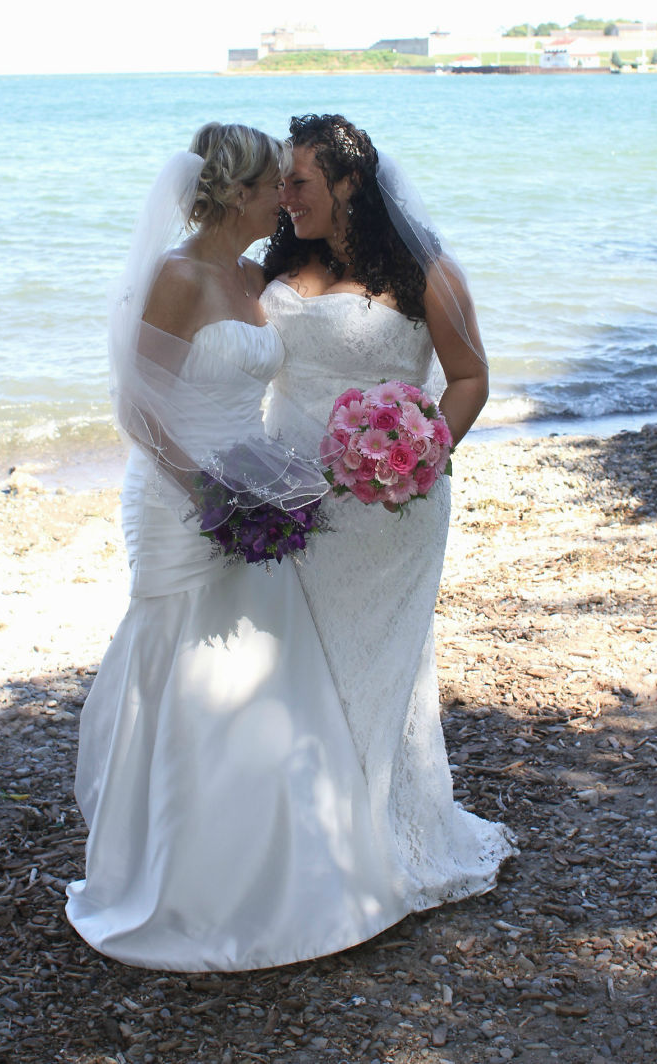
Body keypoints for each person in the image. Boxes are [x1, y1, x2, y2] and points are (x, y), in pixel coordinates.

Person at [66, 123, 407, 970]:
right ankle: (173, 882)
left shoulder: (253, 274)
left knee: (263, 668)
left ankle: (283, 876)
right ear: (237, 192)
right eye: (272, 185)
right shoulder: (178, 276)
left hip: (251, 488)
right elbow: (139, 406)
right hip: (178, 494)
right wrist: (204, 491)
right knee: (180, 669)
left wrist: (262, 482)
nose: (283, 199)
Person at [260, 113, 516, 919]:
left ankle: (379, 836)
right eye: (281, 181)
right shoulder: (277, 261)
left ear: (348, 183)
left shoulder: (421, 269)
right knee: (293, 667)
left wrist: (421, 451)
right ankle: (300, 837)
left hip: (388, 509)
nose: (285, 194)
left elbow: (468, 375)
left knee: (378, 670)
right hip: (286, 502)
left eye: (300, 180)